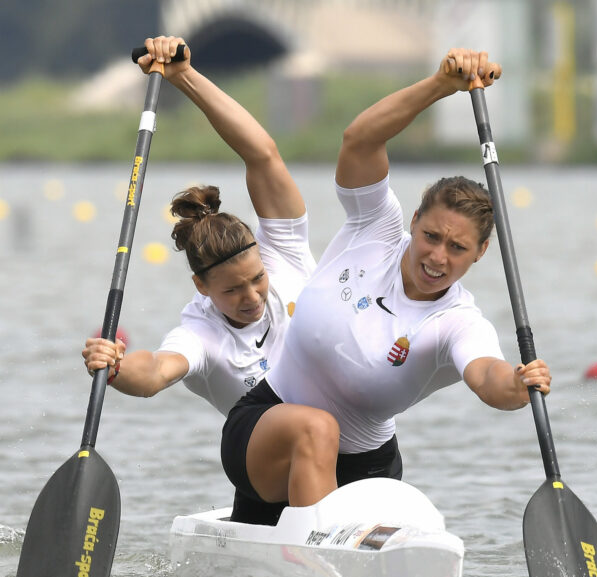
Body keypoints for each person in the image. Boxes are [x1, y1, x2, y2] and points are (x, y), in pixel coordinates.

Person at [221, 48, 553, 525]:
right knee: (317, 427)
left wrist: (519, 385)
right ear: (414, 221)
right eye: (431, 236)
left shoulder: (457, 322)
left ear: (480, 253)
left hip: (366, 467)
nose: (438, 257)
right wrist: (440, 84)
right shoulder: (374, 228)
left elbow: (487, 377)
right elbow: (359, 140)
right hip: (264, 431)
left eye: (457, 248)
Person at [82, 36, 338, 524]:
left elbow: (262, 154)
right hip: (268, 474)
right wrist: (113, 367)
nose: (252, 297)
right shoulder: (201, 333)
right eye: (232, 291)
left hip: (341, 445)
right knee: (312, 426)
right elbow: (155, 372)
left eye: (256, 280)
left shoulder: (284, 254)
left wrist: (184, 77)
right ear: (202, 288)